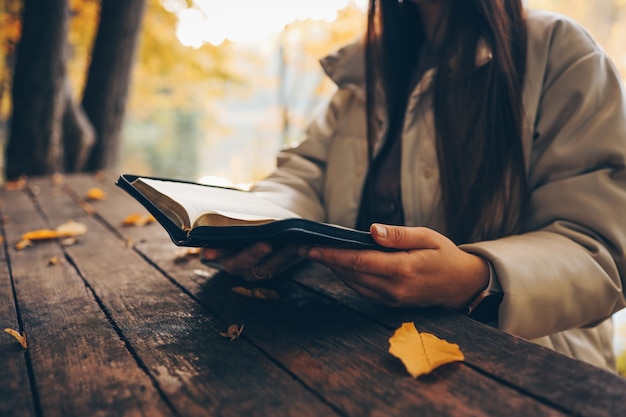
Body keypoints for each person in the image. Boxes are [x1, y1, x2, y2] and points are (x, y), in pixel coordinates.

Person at [202, 0, 626, 371]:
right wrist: (260, 225)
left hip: (535, 369)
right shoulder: (363, 71)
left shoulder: (561, 53)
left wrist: (478, 279)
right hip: (367, 357)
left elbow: (603, 248)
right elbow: (303, 175)